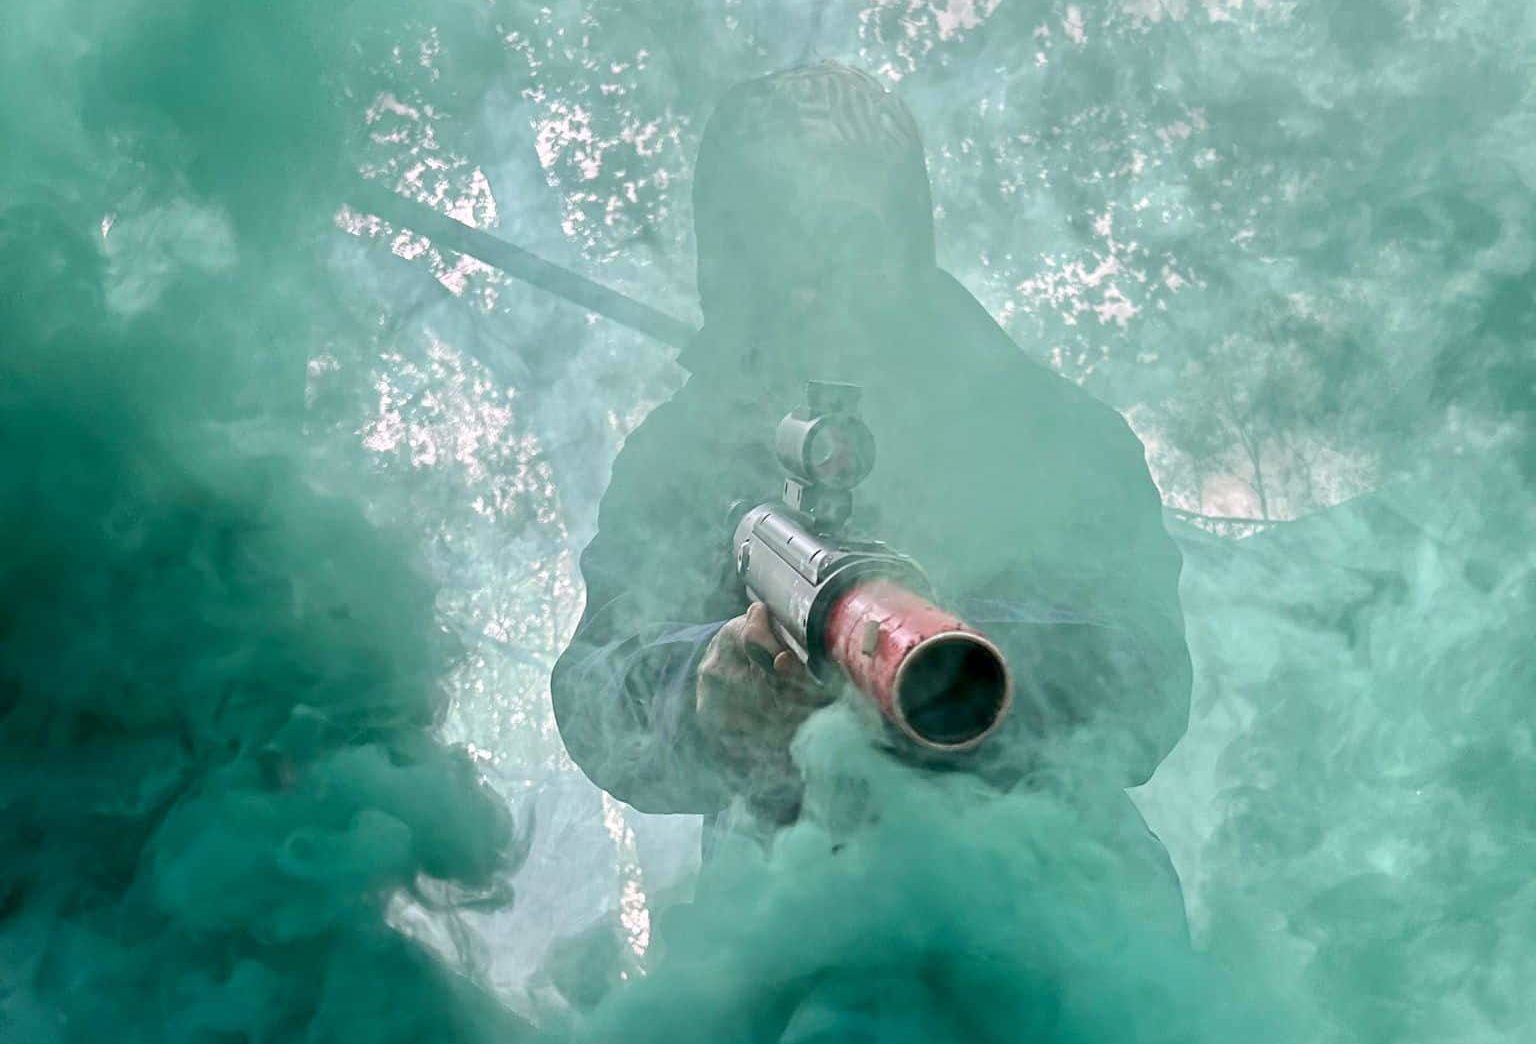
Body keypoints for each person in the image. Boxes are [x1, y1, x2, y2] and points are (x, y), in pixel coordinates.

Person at [550, 62, 1190, 877]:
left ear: (905, 234)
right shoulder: (684, 453)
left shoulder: (1055, 434)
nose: (811, 277)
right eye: (774, 238)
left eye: (845, 232)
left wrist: (942, 663)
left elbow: (1148, 680)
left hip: (1059, 907)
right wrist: (704, 696)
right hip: (800, 924)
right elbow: (594, 686)